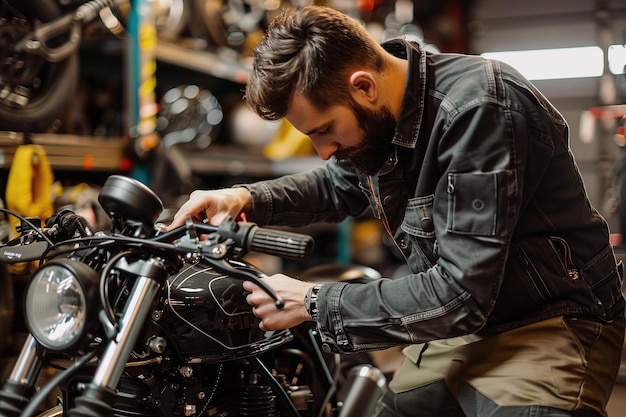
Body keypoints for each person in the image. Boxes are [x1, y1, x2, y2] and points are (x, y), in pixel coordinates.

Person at [168, 5, 625, 417]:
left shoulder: (479, 109)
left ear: (363, 86)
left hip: (549, 322)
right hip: (462, 327)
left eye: (326, 130)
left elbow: (460, 293)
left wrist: (312, 301)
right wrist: (246, 198)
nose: (323, 151)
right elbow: (337, 185)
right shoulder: (385, 119)